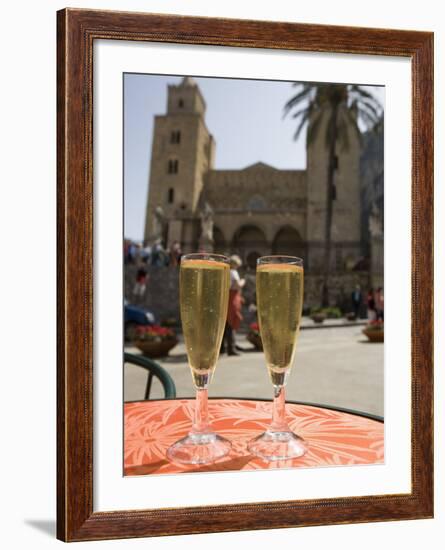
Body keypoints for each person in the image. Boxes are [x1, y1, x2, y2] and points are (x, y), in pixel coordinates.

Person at [221, 255, 245, 356]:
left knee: (226, 324)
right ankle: (231, 347)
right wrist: (243, 281)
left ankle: (222, 347)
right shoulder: (233, 272)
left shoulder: (226, 271)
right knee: (231, 322)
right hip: (232, 298)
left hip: (227, 297)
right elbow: (237, 285)